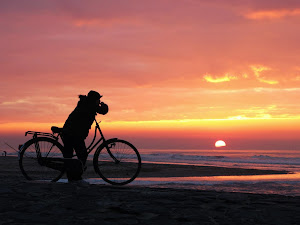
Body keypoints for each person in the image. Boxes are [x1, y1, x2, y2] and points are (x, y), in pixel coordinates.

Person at [62, 90, 108, 182]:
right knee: (82, 154)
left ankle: (72, 177)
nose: (98, 101)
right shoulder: (89, 105)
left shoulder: (85, 103)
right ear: (94, 99)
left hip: (70, 132)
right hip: (73, 133)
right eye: (98, 99)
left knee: (70, 156)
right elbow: (103, 111)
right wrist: (104, 105)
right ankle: (76, 177)